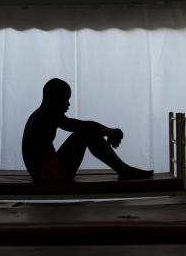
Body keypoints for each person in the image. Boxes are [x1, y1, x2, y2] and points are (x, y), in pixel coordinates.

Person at [22, 78, 153, 182]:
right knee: (85, 133)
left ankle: (123, 170)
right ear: (54, 99)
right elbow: (87, 127)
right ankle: (124, 170)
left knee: (87, 132)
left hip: (44, 173)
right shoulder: (49, 114)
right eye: (66, 99)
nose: (68, 104)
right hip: (47, 176)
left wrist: (108, 132)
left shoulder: (39, 114)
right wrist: (112, 132)